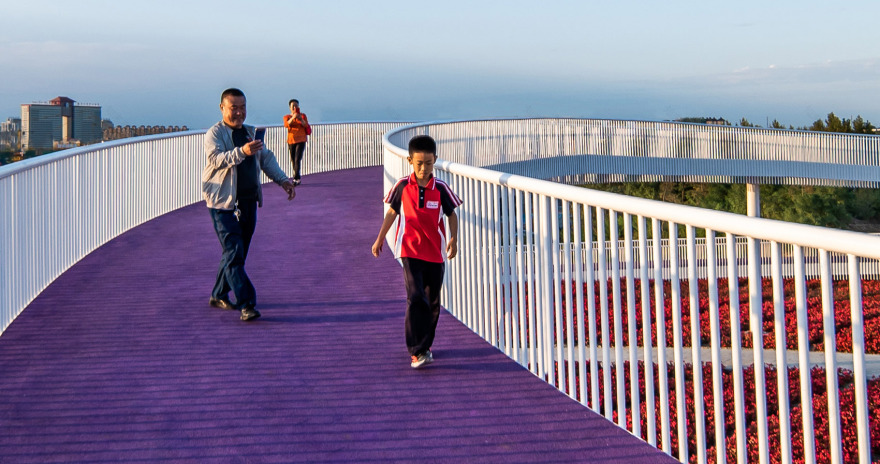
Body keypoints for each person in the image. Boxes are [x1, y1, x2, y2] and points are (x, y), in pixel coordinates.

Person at [202, 88, 297, 321]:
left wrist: (283, 179)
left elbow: (266, 158)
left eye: (242, 107)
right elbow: (216, 160)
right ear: (222, 108)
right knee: (234, 251)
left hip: (247, 202)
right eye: (233, 107)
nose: (239, 112)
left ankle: (218, 293)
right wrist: (242, 151)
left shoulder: (251, 132)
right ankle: (247, 304)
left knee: (236, 253)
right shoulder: (214, 134)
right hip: (223, 204)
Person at [371, 135, 461, 368]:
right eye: (419, 164)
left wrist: (454, 239)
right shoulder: (402, 186)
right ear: (410, 161)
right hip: (409, 251)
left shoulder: (440, 188)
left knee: (432, 301)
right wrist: (380, 238)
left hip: (435, 253)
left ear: (435, 161)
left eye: (428, 163)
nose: (423, 169)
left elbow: (452, 214)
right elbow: (391, 212)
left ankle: (425, 346)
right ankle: (416, 349)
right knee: (415, 297)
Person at [283, 99, 310, 185]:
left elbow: (306, 125)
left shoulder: (303, 116)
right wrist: (293, 117)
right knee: (293, 160)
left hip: (301, 140)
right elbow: (286, 125)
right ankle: (296, 176)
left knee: (297, 159)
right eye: (293, 106)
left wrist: (300, 119)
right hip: (291, 140)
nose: (295, 107)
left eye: (296, 106)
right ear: (290, 107)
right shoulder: (287, 117)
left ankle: (296, 178)